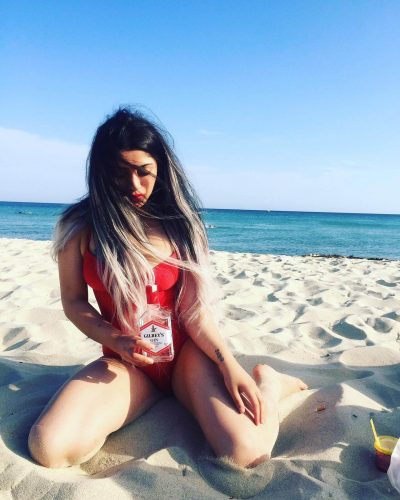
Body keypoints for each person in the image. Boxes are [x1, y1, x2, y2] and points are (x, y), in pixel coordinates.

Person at [28, 107, 307, 469]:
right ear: (101, 172)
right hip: (125, 363)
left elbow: (195, 312)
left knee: (246, 453)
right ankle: (148, 398)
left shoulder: (180, 226)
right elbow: (74, 302)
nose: (134, 185)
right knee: (49, 447)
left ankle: (270, 384)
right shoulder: (80, 228)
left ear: (160, 168)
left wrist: (229, 366)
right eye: (120, 172)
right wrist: (116, 340)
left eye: (143, 171)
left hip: (187, 359)